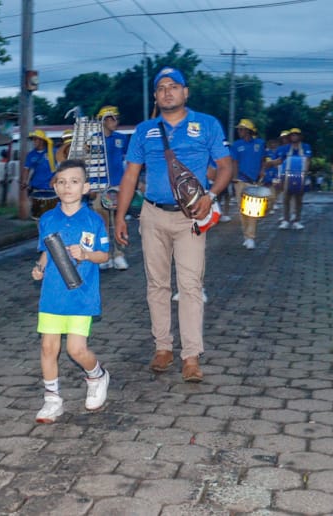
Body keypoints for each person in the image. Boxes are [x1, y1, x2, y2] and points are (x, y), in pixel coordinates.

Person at [113, 67, 232, 383]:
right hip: (152, 215)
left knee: (190, 285)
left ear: (185, 92)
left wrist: (213, 193)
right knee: (157, 284)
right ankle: (162, 346)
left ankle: (191, 356)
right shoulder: (144, 131)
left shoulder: (206, 124)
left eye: (174, 86)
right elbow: (130, 175)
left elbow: (225, 165)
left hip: (191, 218)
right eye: (161, 88)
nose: (167, 92)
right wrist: (119, 216)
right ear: (155, 96)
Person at [30, 159, 110, 423]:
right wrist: (40, 267)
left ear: (85, 187)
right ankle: (52, 400)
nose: (67, 187)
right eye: (61, 182)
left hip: (81, 295)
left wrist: (86, 254)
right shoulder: (47, 218)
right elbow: (45, 250)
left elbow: (104, 255)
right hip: (52, 295)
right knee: (47, 347)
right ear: (55, 186)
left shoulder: (94, 220)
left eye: (74, 182)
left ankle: (97, 376)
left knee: (76, 350)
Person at [93, 105, 130, 270]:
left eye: (116, 118)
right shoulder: (93, 140)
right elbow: (88, 165)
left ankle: (119, 255)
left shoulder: (122, 138)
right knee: (102, 224)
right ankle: (104, 255)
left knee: (118, 221)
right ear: (104, 121)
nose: (116, 122)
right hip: (100, 187)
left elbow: (131, 162)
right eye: (112, 118)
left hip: (118, 186)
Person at [230, 118, 266, 250]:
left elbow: (263, 160)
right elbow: (234, 162)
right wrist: (234, 178)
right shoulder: (236, 145)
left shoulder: (260, 144)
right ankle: (246, 235)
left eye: (241, 129)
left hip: (254, 182)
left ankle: (251, 237)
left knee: (253, 211)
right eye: (238, 129)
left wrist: (262, 171)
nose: (239, 131)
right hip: (240, 181)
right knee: (243, 211)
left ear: (248, 130)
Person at [271, 128, 312, 230]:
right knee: (286, 198)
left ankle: (297, 220)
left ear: (300, 136)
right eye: (292, 135)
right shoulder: (285, 148)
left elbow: (307, 160)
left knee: (299, 199)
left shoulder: (306, 147)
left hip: (301, 176)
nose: (294, 137)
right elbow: (279, 161)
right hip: (286, 176)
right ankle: (285, 220)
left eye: (296, 135)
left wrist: (305, 176)